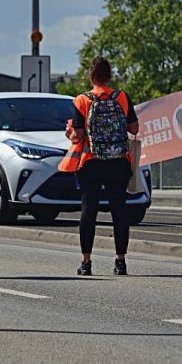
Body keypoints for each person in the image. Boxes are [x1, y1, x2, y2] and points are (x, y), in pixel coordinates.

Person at [59, 56, 139, 276]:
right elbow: (134, 128)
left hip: (91, 162)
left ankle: (86, 262)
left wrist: (70, 133)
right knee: (119, 210)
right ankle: (120, 261)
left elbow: (79, 135)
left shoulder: (81, 100)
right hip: (118, 161)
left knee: (88, 210)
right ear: (109, 76)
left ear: (90, 76)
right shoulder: (122, 97)